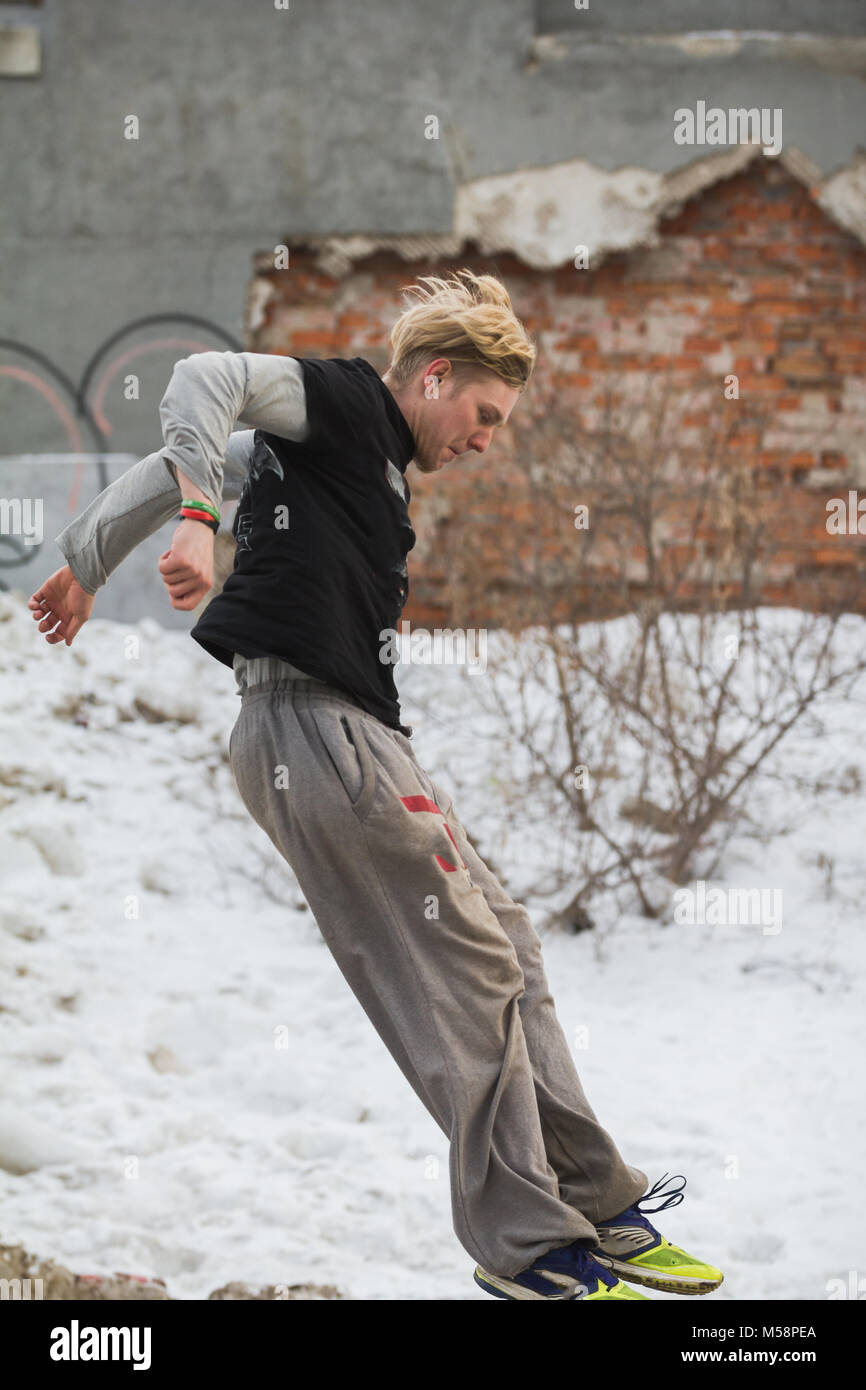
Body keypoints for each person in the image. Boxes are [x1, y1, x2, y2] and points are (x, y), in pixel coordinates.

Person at [29, 269, 723, 1301]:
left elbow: (208, 444)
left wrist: (87, 555)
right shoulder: (350, 404)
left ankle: (598, 1207)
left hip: (357, 738)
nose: (486, 439)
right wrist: (191, 524)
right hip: (309, 732)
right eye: (482, 414)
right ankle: (531, 1247)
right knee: (472, 971)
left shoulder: (347, 455)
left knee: (511, 944)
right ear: (433, 376)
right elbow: (198, 379)